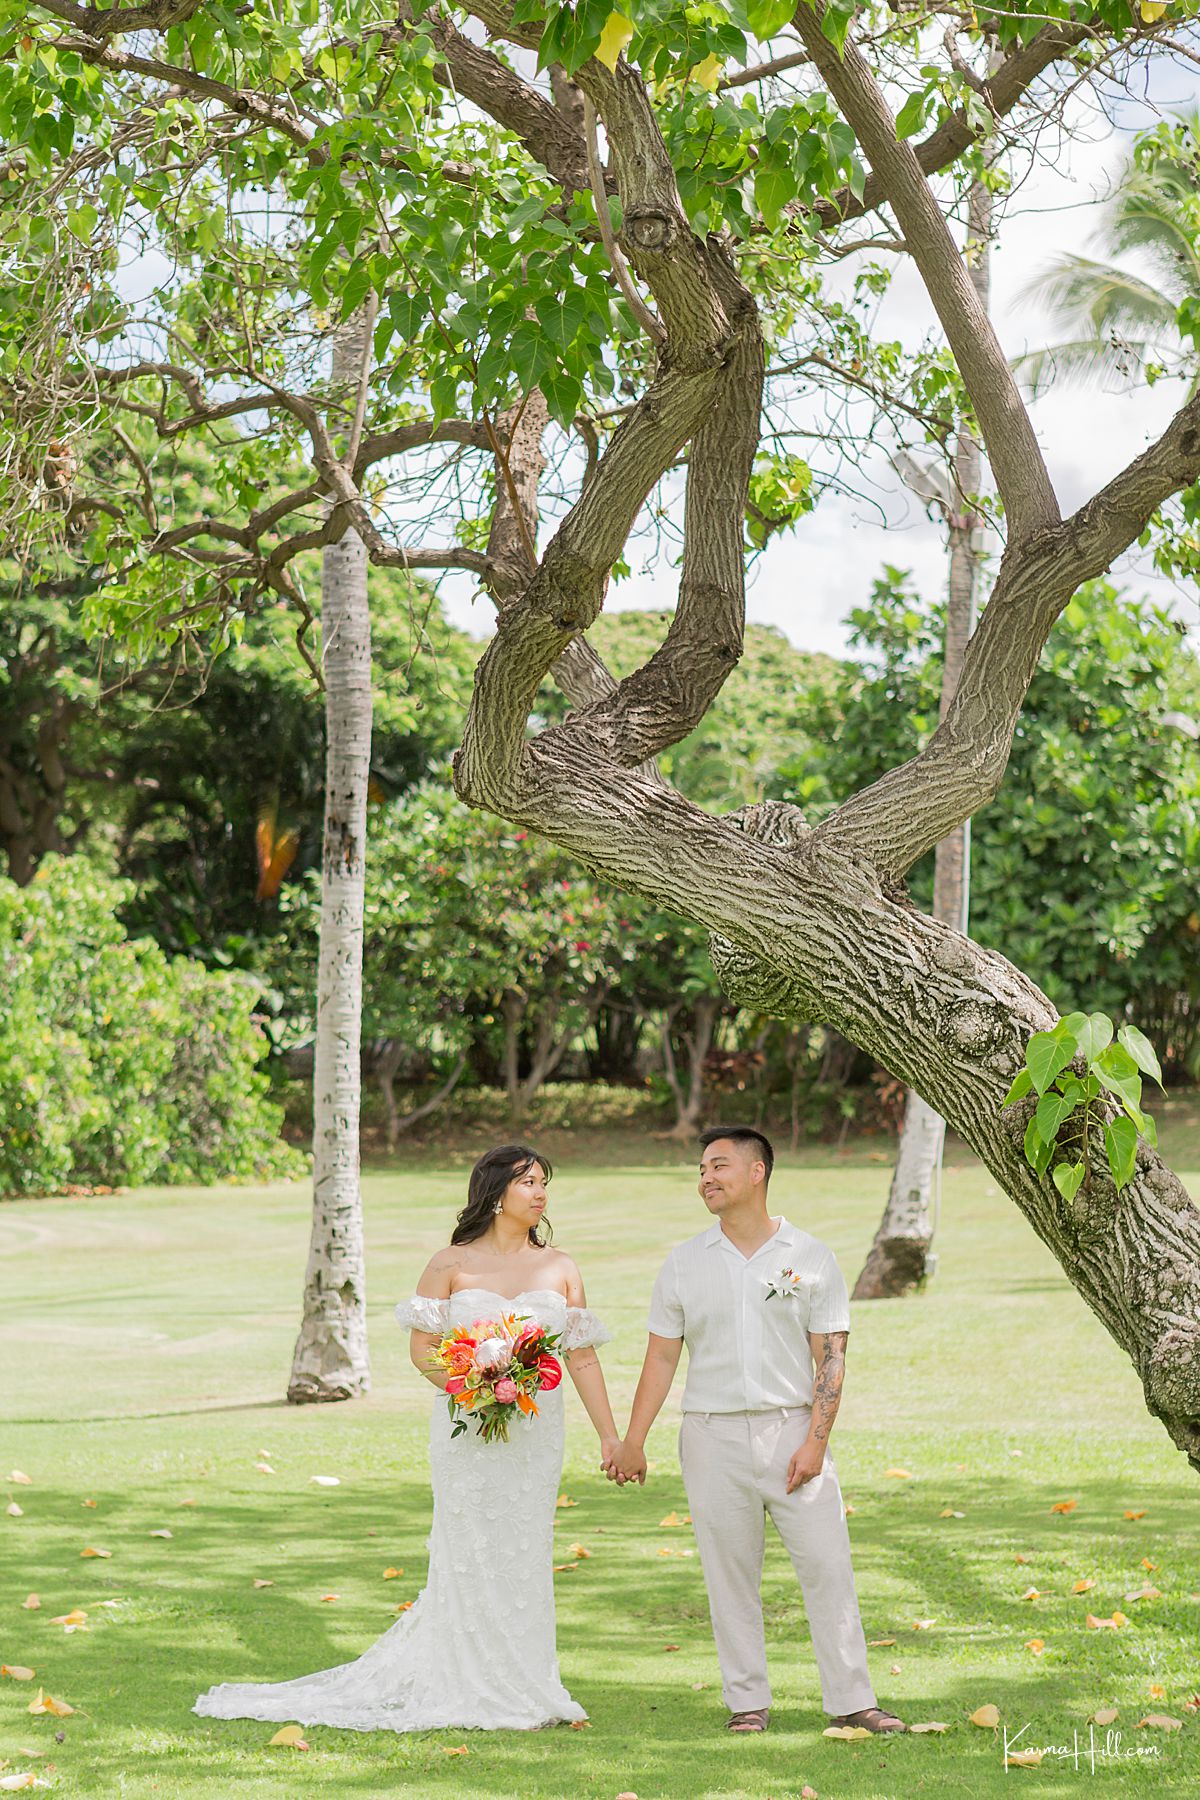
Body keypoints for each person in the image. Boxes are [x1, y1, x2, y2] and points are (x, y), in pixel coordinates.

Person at [195, 1143, 617, 1732]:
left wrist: (610, 1438)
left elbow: (583, 1360)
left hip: (535, 1433)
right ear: (496, 1193)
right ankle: (463, 1680)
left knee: (524, 1550)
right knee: (467, 1548)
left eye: (545, 1182)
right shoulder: (450, 1264)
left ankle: (528, 1682)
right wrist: (475, 1386)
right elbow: (423, 1352)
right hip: (466, 1433)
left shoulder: (562, 1267)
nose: (541, 1192)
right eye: (529, 1181)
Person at [603, 1126, 904, 1737]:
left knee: (827, 1566)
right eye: (702, 1169)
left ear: (757, 1172)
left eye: (718, 1166)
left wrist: (815, 1442)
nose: (705, 1178)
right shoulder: (684, 1261)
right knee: (728, 1572)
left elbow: (832, 1357)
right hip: (709, 1436)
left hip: (792, 1429)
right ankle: (748, 1703)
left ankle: (852, 1700)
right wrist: (634, 1440)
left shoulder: (810, 1256)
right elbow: (661, 1358)